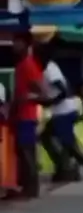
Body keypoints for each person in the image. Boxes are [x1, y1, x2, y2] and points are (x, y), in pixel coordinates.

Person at [35, 44, 83, 198]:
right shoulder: (47, 68)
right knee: (45, 136)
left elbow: (64, 90)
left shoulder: (50, 69)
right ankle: (62, 169)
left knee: (71, 149)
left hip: (64, 112)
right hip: (60, 113)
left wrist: (49, 102)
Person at [11, 31, 51, 199]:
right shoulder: (22, 65)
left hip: (27, 116)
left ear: (25, 44)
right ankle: (27, 187)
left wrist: (28, 97)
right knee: (23, 152)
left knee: (27, 152)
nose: (14, 45)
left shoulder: (28, 65)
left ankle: (31, 189)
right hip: (21, 115)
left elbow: (44, 94)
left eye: (17, 42)